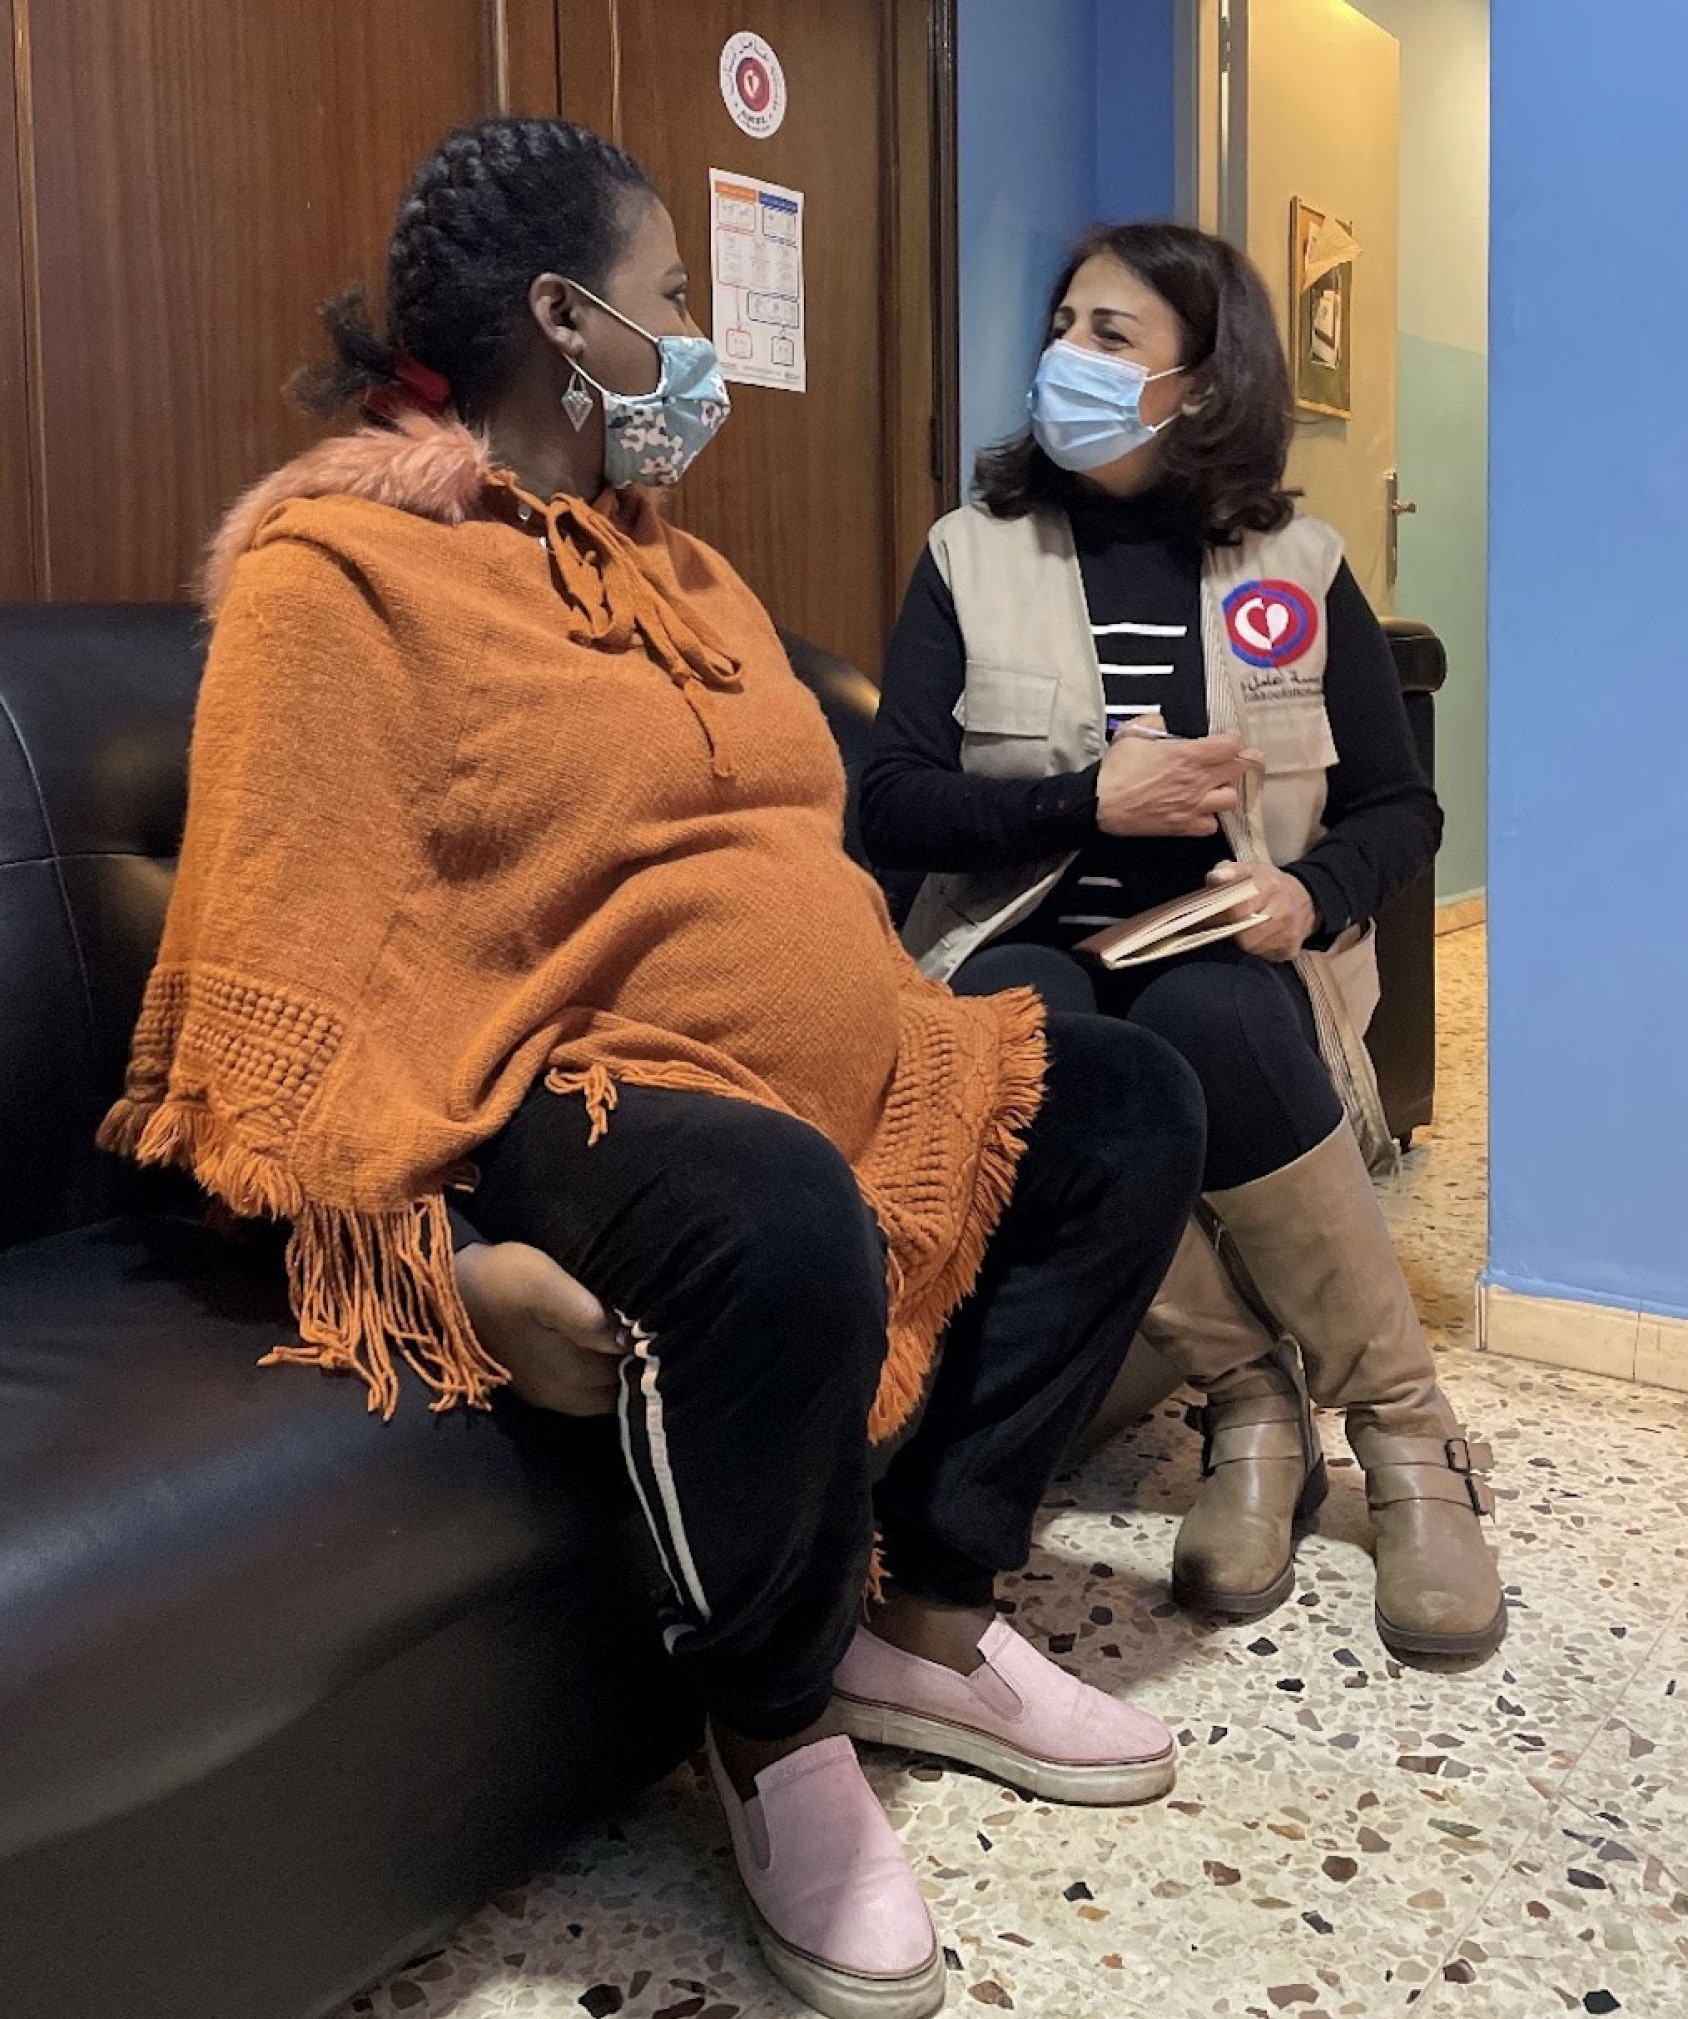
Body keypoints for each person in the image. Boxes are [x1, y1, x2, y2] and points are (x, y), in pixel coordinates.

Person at [99, 123, 1206, 2019]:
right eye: (674, 294)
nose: (695, 335)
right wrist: (442, 1264)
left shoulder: (670, 566)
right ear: (567, 317)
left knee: (1125, 1100)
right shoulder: (336, 574)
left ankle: (924, 1618)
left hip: (819, 1052)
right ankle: (775, 1728)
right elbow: (279, 1010)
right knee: (781, 1218)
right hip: (560, 1079)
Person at [861, 222, 1507, 1668]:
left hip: (1233, 946)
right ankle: (1246, 1405)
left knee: (1211, 1015)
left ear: (1202, 387)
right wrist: (1086, 795)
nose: (1065, 359)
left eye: (1112, 337)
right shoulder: (972, 556)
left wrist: (1313, 893)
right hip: (1032, 938)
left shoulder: (1296, 559)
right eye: (1064, 322)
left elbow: (1408, 807)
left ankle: (1408, 1432)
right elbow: (890, 799)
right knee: (1033, 1037)